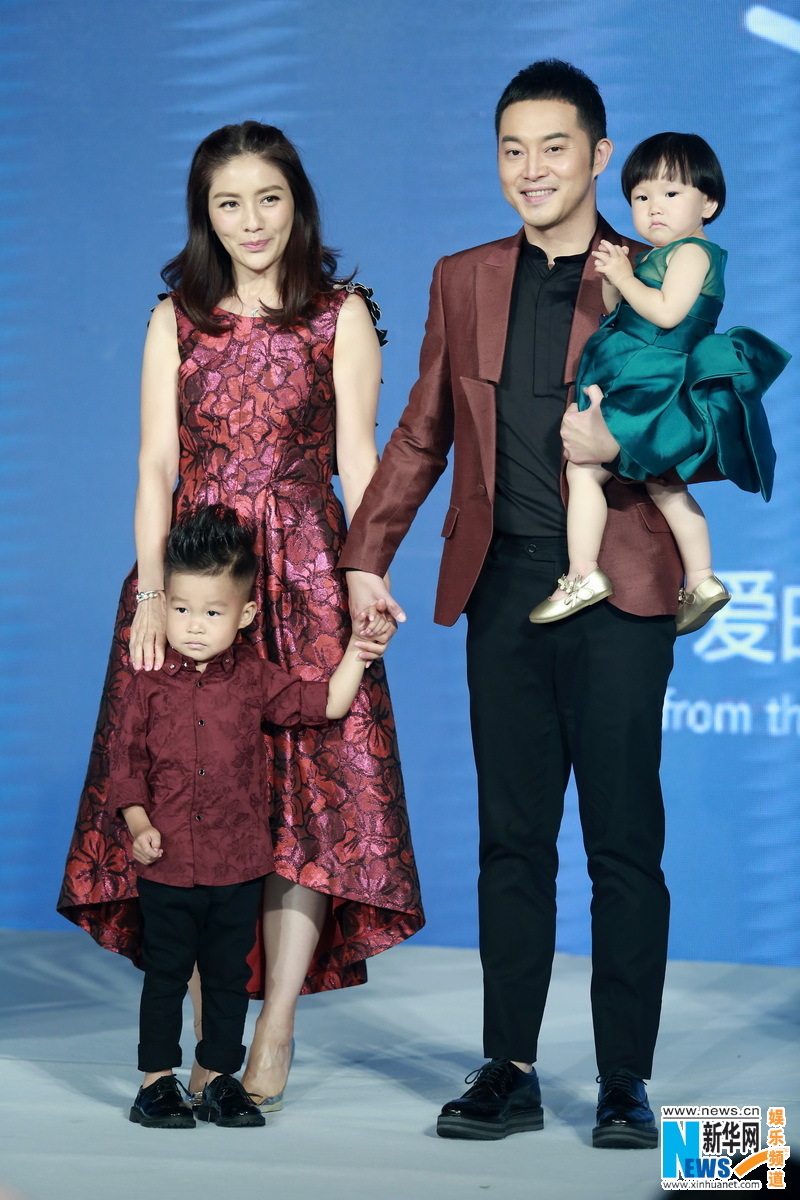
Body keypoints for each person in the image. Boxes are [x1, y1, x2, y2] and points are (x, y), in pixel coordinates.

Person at [340, 59, 691, 1148]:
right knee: (512, 840)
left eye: (553, 147)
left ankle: (625, 1080)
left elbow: (711, 423)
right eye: (511, 149)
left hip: (621, 589)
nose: (530, 168)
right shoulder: (463, 277)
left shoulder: (656, 274)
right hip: (504, 590)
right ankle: (510, 1067)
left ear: (598, 155)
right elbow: (420, 433)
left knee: (623, 843)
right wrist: (366, 556)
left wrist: (627, 441)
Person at [58, 120, 423, 1111]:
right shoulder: (174, 319)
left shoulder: (340, 313)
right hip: (193, 582)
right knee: (191, 793)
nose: (251, 221)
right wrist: (149, 593)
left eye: (268, 198)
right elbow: (155, 464)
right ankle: (201, 1030)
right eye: (229, 203)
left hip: (306, 573)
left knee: (308, 799)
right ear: (204, 215)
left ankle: (277, 1022)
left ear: (297, 203)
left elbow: (359, 459)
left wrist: (365, 573)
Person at [120, 506, 391, 1129]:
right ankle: (156, 1082)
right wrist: (139, 826)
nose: (194, 626)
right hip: (167, 867)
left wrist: (358, 651)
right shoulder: (147, 682)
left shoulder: (254, 678)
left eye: (212, 613)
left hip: (237, 867)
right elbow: (126, 767)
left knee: (226, 978)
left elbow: (324, 704)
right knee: (165, 976)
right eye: (182, 609)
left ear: (244, 616)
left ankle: (219, 1078)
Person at [529, 132, 786, 633]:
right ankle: (702, 578)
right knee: (664, 485)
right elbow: (619, 314)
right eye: (641, 197)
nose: (654, 207)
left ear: (708, 203)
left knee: (584, 470)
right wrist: (615, 280)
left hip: (654, 383)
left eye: (671, 193)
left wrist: (625, 279)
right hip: (640, 374)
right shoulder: (656, 256)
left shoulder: (692, 253)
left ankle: (582, 574)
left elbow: (667, 314)